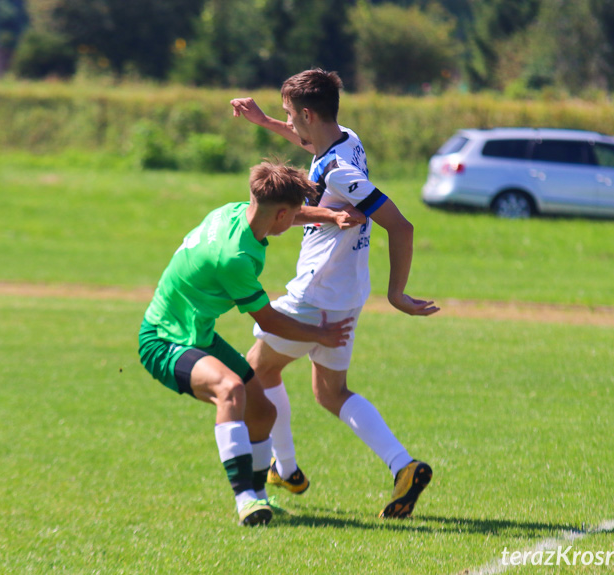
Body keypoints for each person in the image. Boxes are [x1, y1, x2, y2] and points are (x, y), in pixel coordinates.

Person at [230, 69, 440, 519]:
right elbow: (308, 143)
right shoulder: (347, 139)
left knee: (254, 373)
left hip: (316, 294)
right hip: (346, 292)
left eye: (290, 115)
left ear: (308, 113)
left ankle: (283, 469)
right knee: (330, 392)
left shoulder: (339, 171)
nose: (290, 123)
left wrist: (398, 294)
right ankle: (403, 467)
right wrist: (266, 121)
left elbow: (400, 225)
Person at [138, 161, 354, 527]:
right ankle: (245, 501)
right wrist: (320, 335)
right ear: (282, 214)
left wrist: (331, 216)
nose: (296, 220)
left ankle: (259, 497)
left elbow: (287, 211)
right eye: (294, 215)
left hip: (197, 334)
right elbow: (269, 321)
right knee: (231, 389)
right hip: (162, 339)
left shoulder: (235, 212)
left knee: (264, 412)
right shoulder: (235, 258)